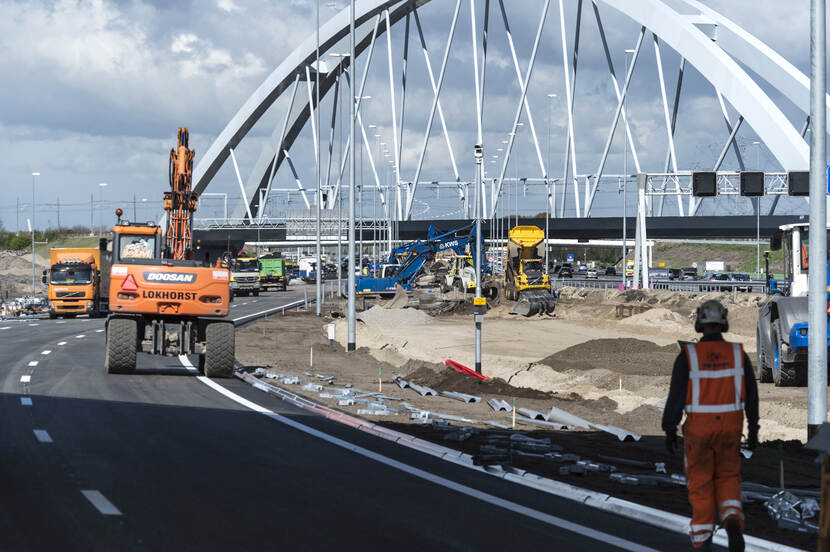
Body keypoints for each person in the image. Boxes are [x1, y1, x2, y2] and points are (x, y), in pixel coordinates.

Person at [662, 300, 759, 552]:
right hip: (730, 431)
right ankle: (732, 522)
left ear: (699, 323)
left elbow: (676, 396)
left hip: (699, 433)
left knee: (701, 485)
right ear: (724, 322)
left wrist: (669, 429)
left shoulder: (689, 356)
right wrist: (755, 430)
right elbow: (752, 396)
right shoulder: (738, 354)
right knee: (728, 479)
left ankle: (703, 540)